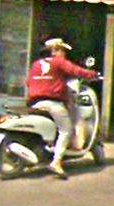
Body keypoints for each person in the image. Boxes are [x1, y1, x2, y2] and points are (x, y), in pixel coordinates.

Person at [26, 38, 97, 179]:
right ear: (54, 50)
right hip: (53, 103)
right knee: (66, 130)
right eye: (62, 50)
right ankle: (57, 161)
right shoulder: (59, 62)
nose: (64, 54)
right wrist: (92, 74)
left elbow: (28, 82)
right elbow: (76, 70)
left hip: (35, 103)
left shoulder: (36, 64)